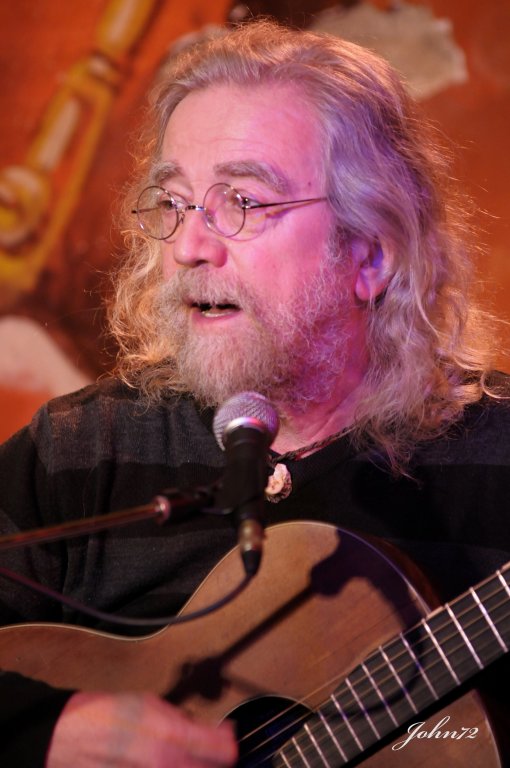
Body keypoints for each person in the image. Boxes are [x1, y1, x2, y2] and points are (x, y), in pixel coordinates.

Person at [0, 18, 509, 768]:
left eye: (241, 202)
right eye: (174, 202)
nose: (188, 246)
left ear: (369, 255)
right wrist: (42, 731)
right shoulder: (80, 453)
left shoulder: (497, 461)